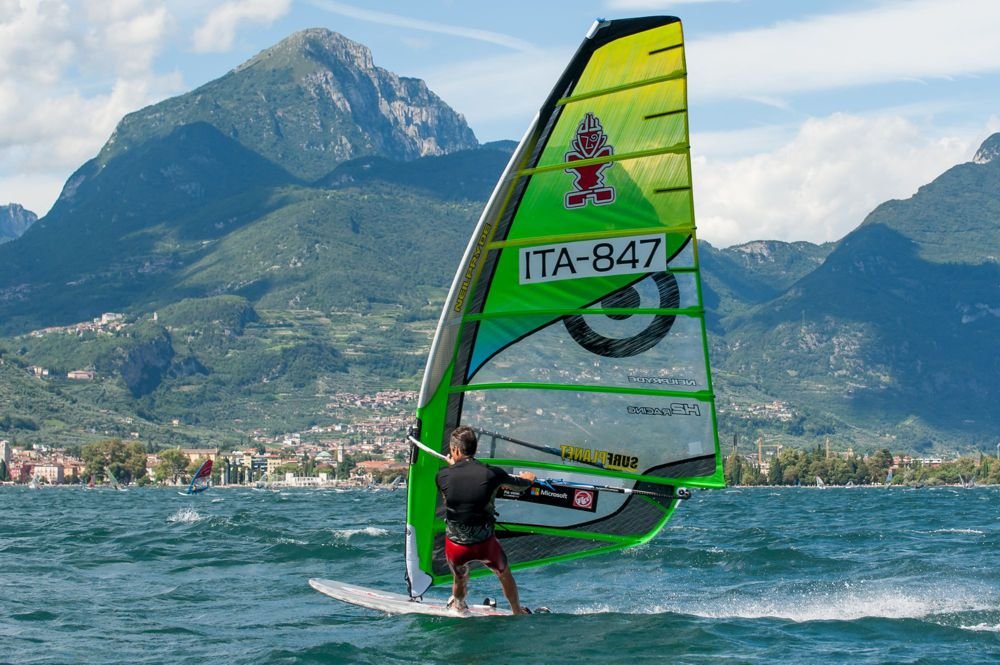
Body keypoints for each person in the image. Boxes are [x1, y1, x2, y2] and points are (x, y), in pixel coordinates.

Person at [435, 425, 535, 615]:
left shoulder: (442, 476)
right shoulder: (492, 473)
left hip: (456, 546)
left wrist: (452, 468)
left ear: (455, 450)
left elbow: (452, 498)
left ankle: (458, 605)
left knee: (459, 577)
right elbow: (520, 486)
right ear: (474, 448)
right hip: (485, 544)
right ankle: (516, 610)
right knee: (504, 574)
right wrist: (529, 479)